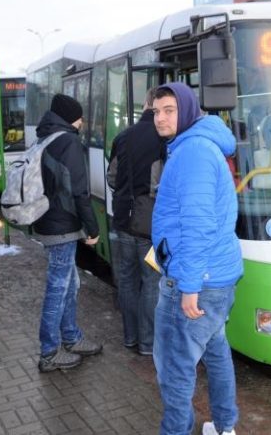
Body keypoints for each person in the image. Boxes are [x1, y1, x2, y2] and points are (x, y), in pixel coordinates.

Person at [150, 82, 243, 435]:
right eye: (156, 111)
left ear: (186, 111)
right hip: (215, 277)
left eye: (169, 110)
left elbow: (198, 224)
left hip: (196, 283)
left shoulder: (193, 153)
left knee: (175, 368)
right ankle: (224, 426)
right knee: (216, 353)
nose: (160, 118)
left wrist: (188, 286)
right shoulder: (199, 145)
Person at [32, 94, 102, 372]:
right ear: (72, 117)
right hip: (62, 225)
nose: (83, 122)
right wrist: (92, 229)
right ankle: (49, 352)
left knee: (69, 284)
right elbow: (79, 192)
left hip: (49, 221)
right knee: (58, 288)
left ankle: (71, 337)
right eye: (80, 117)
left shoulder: (45, 137)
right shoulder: (69, 141)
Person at [106, 87, 166, 356]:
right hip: (149, 225)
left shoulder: (123, 136)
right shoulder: (163, 138)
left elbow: (111, 177)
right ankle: (148, 343)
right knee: (151, 283)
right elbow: (162, 186)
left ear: (144, 104)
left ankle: (130, 337)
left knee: (127, 281)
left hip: (121, 220)